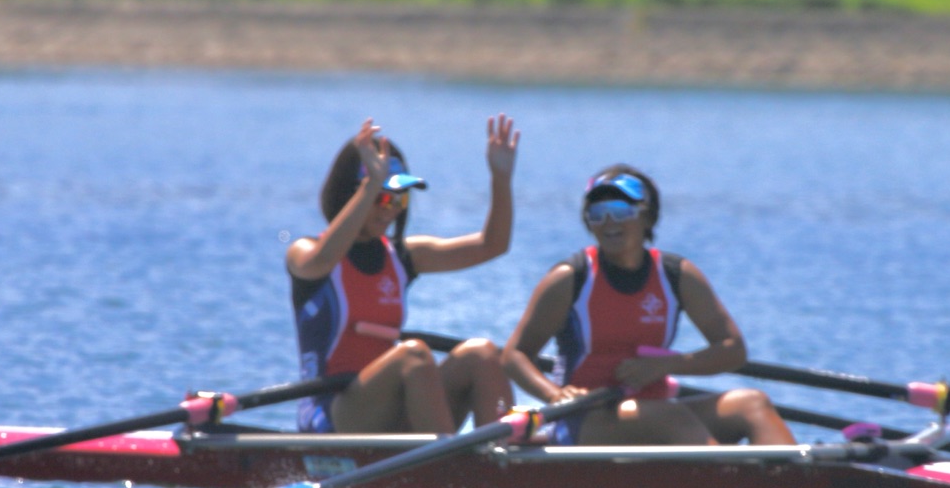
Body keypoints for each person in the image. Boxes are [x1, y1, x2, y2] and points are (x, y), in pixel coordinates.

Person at [501, 165, 794, 447]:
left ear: (648, 217)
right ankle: (731, 473)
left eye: (620, 211)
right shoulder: (569, 279)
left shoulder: (677, 275)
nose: (609, 223)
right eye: (597, 214)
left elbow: (733, 350)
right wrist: (555, 396)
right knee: (670, 417)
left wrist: (668, 364)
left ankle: (795, 475)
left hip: (657, 409)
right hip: (585, 417)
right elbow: (515, 355)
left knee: (752, 403)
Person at [288, 116, 519, 434]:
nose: (391, 208)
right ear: (353, 193)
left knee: (482, 354)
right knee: (414, 355)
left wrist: (501, 179)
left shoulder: (402, 256)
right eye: (382, 196)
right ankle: (450, 459)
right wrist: (371, 184)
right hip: (332, 412)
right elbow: (322, 259)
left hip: (393, 405)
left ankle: (503, 455)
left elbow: (492, 245)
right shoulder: (304, 253)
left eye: (400, 197)